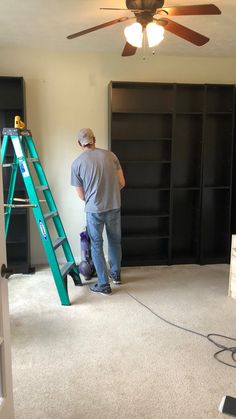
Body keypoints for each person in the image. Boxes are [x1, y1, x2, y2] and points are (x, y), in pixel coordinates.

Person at [71, 128, 125, 295]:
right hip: (114, 206)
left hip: (94, 210)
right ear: (94, 139)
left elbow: (81, 195)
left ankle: (103, 284)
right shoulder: (111, 156)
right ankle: (115, 276)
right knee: (115, 241)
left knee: (96, 245)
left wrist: (94, 199)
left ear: (79, 144)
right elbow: (122, 183)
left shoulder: (77, 163)